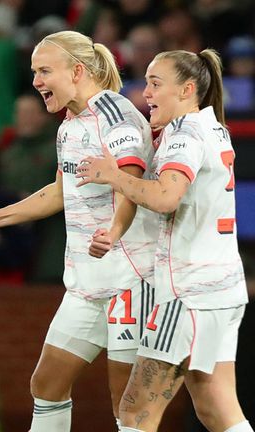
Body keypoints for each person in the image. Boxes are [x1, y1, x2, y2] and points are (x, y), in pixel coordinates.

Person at [0, 30, 156, 431]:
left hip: (130, 282)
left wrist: (116, 230)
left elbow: (132, 177)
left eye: (44, 71)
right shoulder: (69, 124)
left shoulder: (115, 115)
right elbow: (59, 191)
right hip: (87, 283)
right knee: (46, 384)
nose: (36, 82)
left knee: (127, 403)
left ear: (78, 70)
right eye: (34, 71)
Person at [75, 49, 253, 432]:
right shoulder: (213, 127)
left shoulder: (185, 133)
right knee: (216, 409)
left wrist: (113, 174)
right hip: (221, 290)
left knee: (134, 412)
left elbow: (165, 197)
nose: (145, 93)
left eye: (156, 84)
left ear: (188, 89)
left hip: (187, 295)